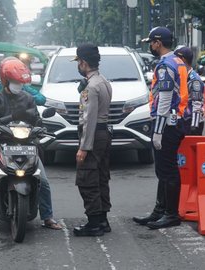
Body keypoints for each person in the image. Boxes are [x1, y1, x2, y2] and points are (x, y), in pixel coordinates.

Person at [0, 57, 62, 233]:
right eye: (15, 81)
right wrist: (10, 118)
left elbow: (37, 119)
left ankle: (48, 217)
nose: (18, 84)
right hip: (1, 145)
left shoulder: (28, 98)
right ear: (5, 80)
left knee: (44, 182)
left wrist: (40, 127)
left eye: (20, 81)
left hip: (27, 144)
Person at [132, 27, 188, 229]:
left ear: (158, 42)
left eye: (151, 42)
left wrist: (158, 130)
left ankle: (171, 214)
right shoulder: (178, 61)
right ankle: (160, 211)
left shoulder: (165, 65)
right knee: (163, 170)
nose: (150, 46)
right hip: (175, 121)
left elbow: (164, 98)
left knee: (168, 170)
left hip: (167, 124)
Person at [72, 44, 113, 237]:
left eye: (79, 61)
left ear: (84, 63)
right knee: (101, 177)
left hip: (94, 135)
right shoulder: (103, 80)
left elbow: (89, 119)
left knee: (87, 179)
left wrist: (84, 147)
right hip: (104, 134)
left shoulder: (91, 86)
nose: (78, 65)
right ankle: (102, 219)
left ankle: (94, 223)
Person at [174, 46, 205, 135]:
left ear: (182, 60)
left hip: (191, 121)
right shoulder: (180, 75)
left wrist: (194, 126)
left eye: (176, 59)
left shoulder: (194, 80)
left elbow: (197, 104)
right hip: (182, 119)